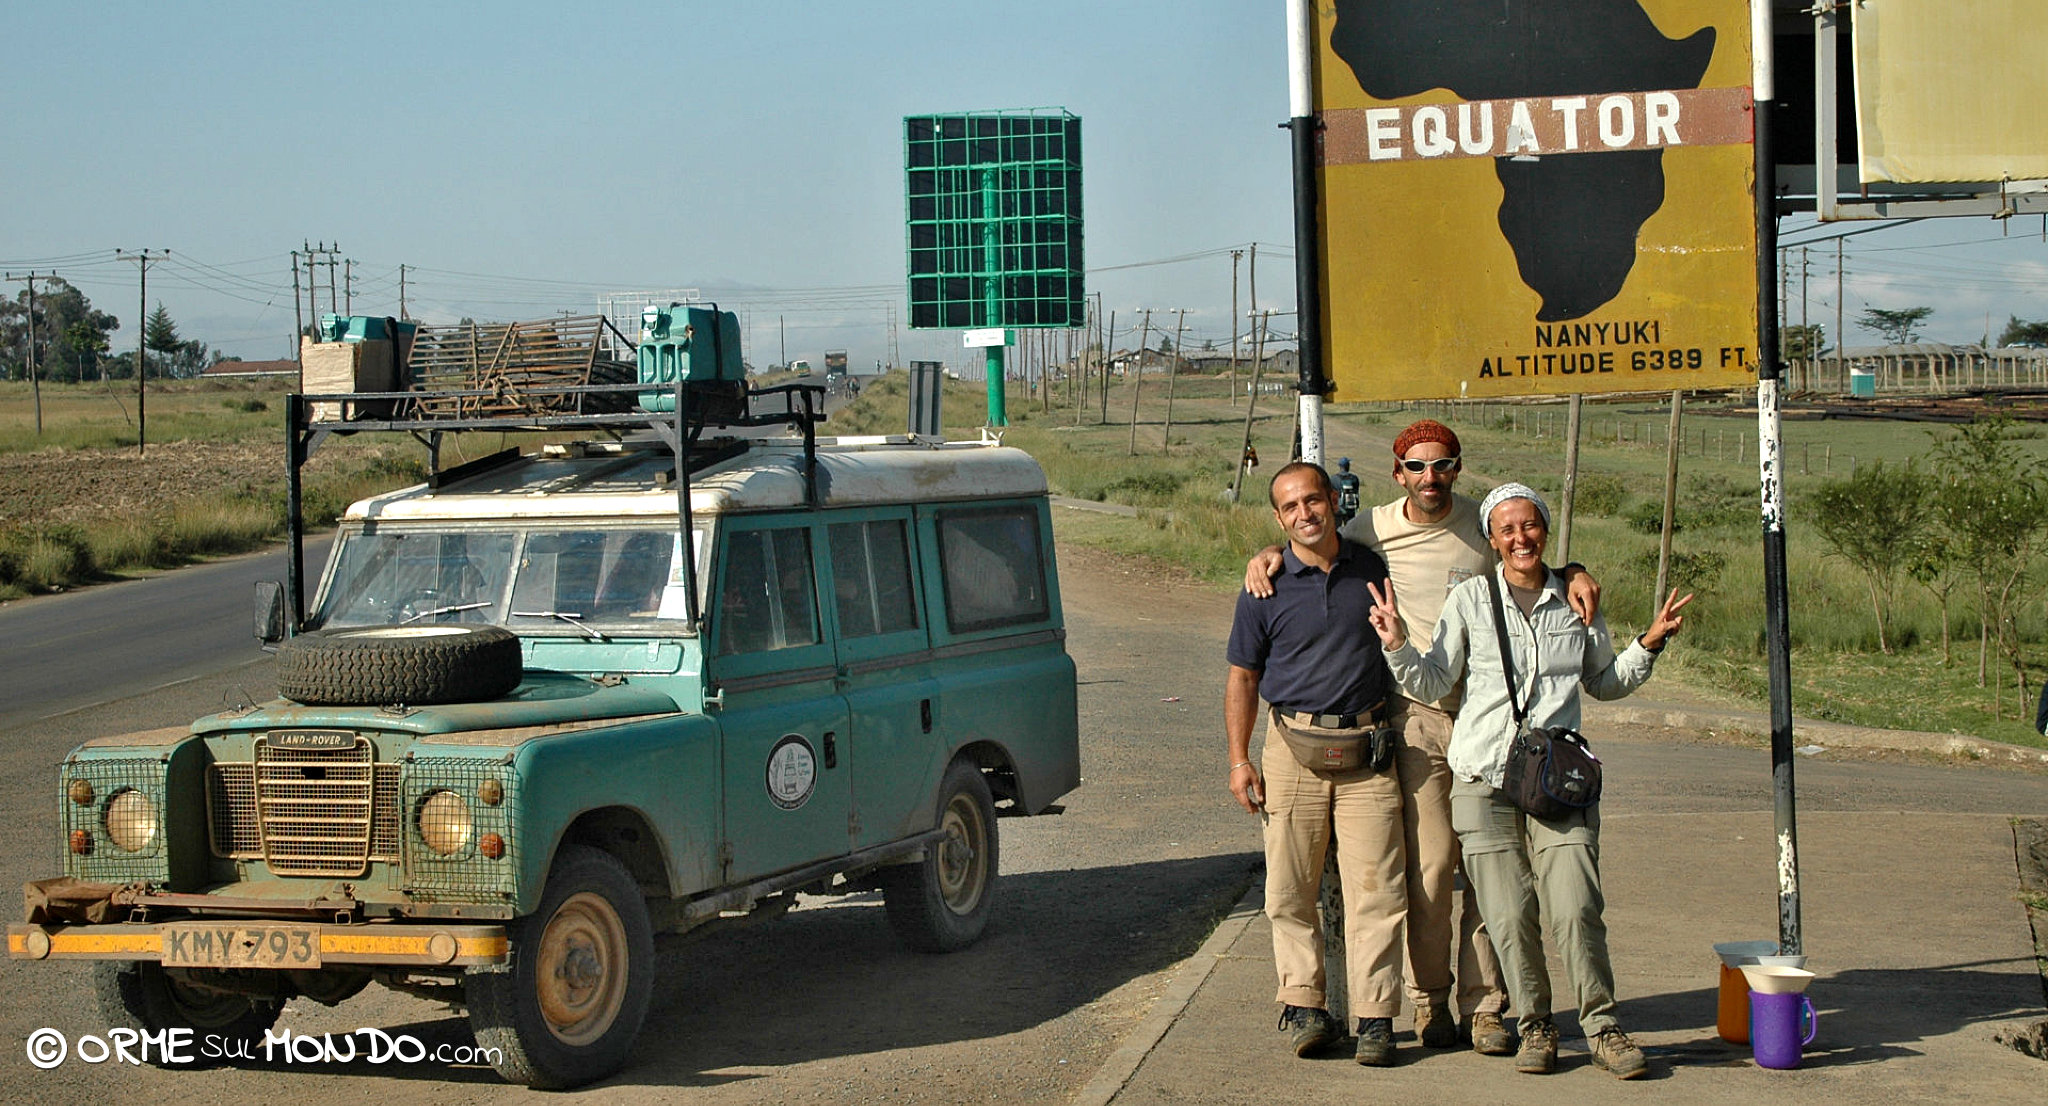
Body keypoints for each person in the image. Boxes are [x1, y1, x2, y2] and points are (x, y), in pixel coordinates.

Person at [1243, 419, 1600, 1054]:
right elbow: (1310, 543)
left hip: (1494, 720)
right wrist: (1265, 556)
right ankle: (1430, 1001)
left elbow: (1529, 558)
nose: (1429, 477)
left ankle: (1485, 1005)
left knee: (1495, 872)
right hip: (1416, 718)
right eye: (1416, 466)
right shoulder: (1371, 529)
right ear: (1397, 471)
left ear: (1458, 468)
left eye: (1442, 465)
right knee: (1433, 868)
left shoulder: (1482, 523)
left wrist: (1572, 570)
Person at [1365, 482, 1692, 1080]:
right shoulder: (1469, 599)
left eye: (1530, 526)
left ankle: (1602, 1026)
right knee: (1508, 914)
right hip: (1484, 778)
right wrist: (1395, 645)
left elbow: (1603, 681)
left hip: (1559, 781)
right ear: (1491, 540)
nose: (1521, 538)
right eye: (1507, 529)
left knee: (1576, 907)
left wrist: (1649, 643)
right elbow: (1437, 681)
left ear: (1545, 529)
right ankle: (1535, 1024)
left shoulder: (1574, 600)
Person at [1226, 461, 1409, 1067]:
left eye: (1313, 500)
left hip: (1368, 752)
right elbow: (1243, 678)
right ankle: (1307, 1008)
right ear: (1279, 519)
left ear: (1334, 500)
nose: (1305, 514)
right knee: (1288, 890)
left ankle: (1376, 1019)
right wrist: (1238, 759)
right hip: (1291, 751)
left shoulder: (1373, 568)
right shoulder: (1263, 586)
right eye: (1290, 508)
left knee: (1377, 892)